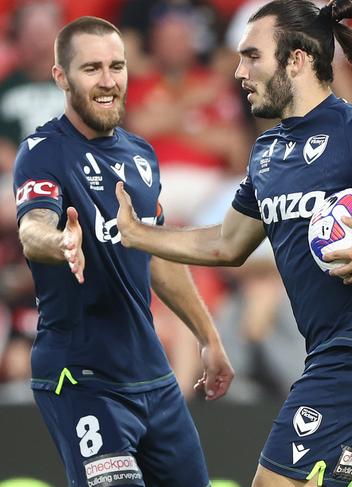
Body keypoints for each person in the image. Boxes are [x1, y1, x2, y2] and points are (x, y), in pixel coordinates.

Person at [113, 1, 352, 485]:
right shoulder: (266, 152)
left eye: (252, 56)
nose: (238, 71)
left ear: (297, 60)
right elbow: (226, 243)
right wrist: (138, 235)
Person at [12, 16, 234, 487]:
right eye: (91, 68)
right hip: (82, 378)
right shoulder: (43, 151)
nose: (109, 81)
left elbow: (158, 255)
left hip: (153, 376)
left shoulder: (141, 155)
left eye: (117, 66)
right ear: (61, 77)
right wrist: (61, 242)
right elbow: (33, 228)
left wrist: (207, 337)